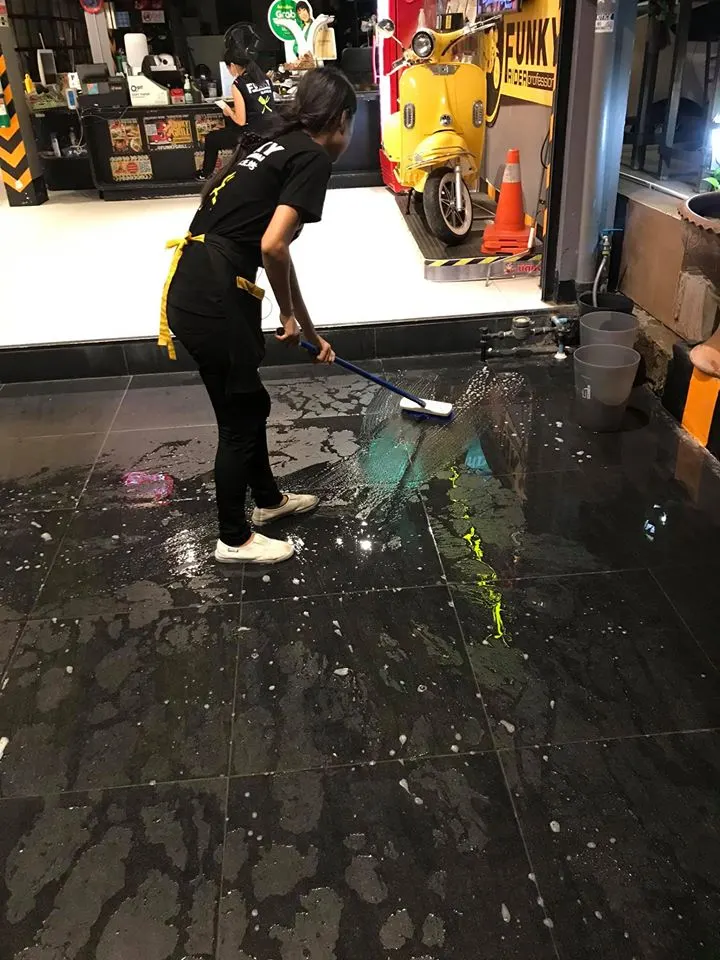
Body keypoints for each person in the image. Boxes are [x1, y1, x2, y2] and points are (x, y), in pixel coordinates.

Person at [159, 68, 356, 565]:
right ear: (340, 119)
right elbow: (273, 247)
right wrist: (286, 314)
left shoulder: (276, 143)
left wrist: (309, 330)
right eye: (349, 125)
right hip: (215, 295)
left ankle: (267, 501)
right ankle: (233, 538)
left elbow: (276, 254)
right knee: (240, 418)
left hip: (194, 284)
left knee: (246, 404)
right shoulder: (312, 156)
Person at [196, 46, 275, 181]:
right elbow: (256, 106)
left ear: (232, 65)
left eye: (228, 68)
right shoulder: (265, 79)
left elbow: (241, 121)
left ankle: (205, 173)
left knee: (212, 138)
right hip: (270, 128)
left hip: (251, 133)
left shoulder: (238, 84)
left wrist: (228, 112)